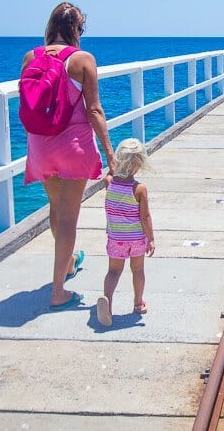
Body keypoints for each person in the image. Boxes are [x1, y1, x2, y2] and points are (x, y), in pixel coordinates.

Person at [22, 2, 115, 311]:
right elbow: (94, 110)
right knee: (69, 216)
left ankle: (70, 262)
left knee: (55, 205)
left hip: (40, 145)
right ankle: (58, 291)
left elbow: (31, 104)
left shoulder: (31, 57)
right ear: (77, 29)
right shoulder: (82, 59)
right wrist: (110, 154)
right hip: (73, 145)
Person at [96, 138, 155, 327]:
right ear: (138, 165)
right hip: (136, 239)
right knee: (137, 270)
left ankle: (108, 302)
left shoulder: (109, 183)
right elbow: (145, 216)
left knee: (113, 271)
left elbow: (109, 175)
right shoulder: (139, 189)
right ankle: (138, 303)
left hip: (116, 238)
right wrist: (151, 239)